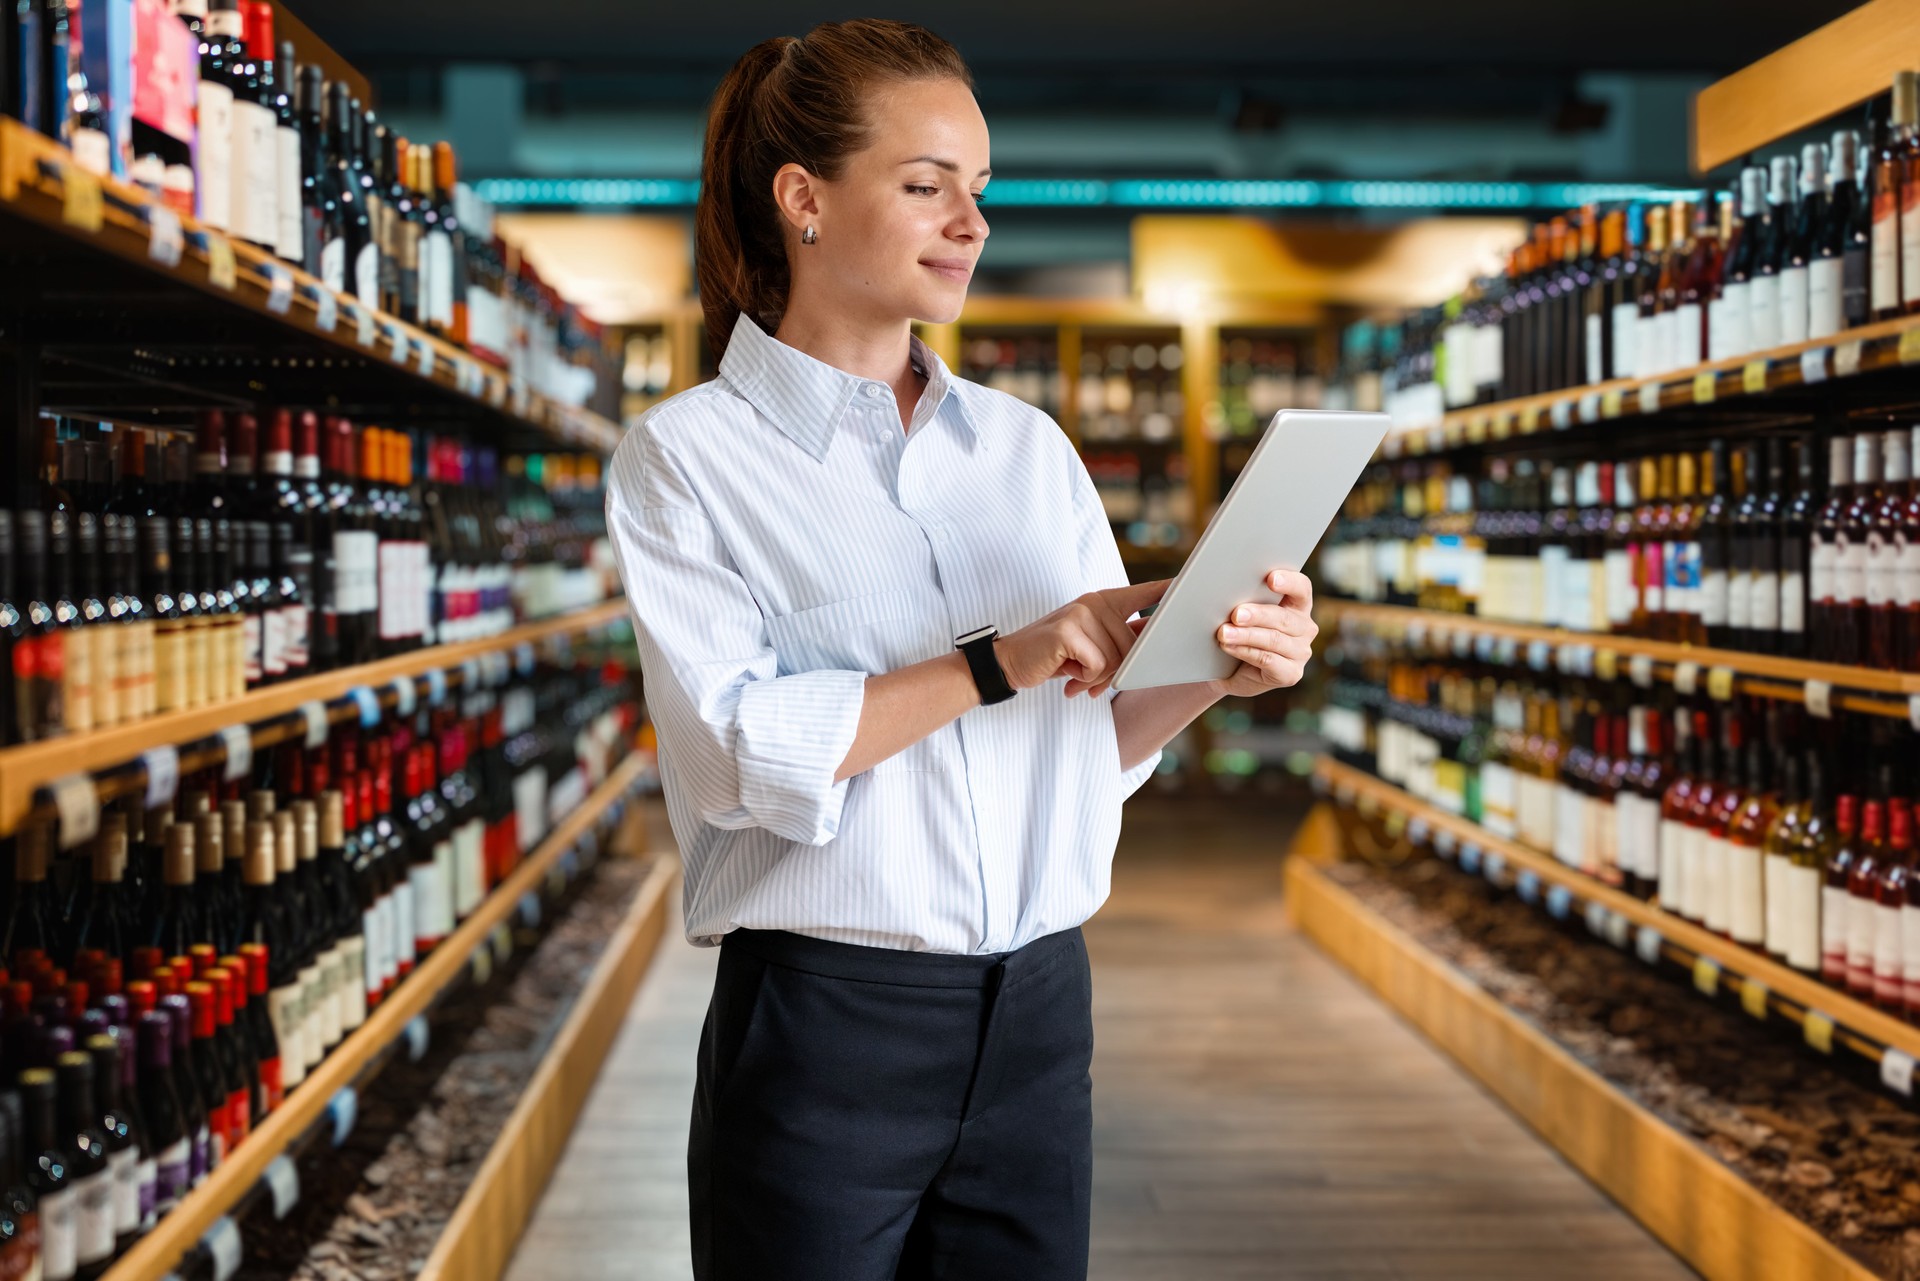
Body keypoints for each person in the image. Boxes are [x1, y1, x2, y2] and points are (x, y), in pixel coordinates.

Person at [602, 18, 1318, 1280]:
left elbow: (1085, 744)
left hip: (1041, 1014)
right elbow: (731, 756)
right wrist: (998, 657)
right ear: (804, 200)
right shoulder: (687, 459)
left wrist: (1215, 660)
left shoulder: (1027, 450)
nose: (971, 223)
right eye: (927, 185)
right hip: (828, 1027)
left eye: (979, 191)